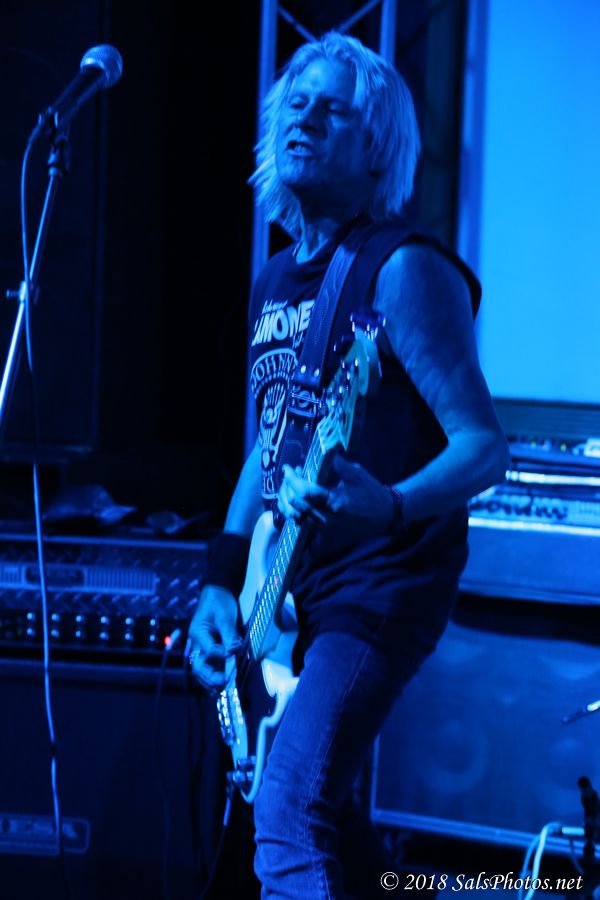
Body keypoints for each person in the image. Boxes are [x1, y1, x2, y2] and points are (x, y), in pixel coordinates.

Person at [187, 30, 510, 899]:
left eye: (332, 111)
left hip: (379, 586)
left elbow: (485, 446)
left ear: (377, 149)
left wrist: (392, 503)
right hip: (288, 592)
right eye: (295, 104)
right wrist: (222, 582)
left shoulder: (402, 269)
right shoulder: (275, 280)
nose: (304, 119)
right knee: (314, 808)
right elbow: (270, 447)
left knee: (289, 808)